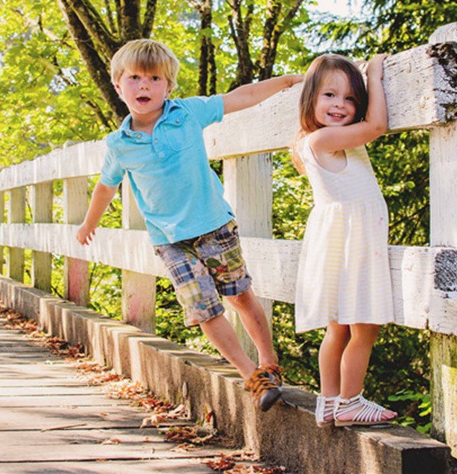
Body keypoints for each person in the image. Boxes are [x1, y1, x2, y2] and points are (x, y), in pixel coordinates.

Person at [76, 39, 302, 411]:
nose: (144, 85)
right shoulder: (119, 143)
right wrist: (88, 223)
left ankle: (269, 363)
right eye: (134, 78)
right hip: (170, 240)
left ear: (168, 86)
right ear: (118, 85)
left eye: (154, 78)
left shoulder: (188, 113)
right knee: (204, 310)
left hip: (214, 225)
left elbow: (240, 97)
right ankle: (252, 376)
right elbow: (106, 185)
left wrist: (288, 80)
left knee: (240, 295)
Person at [291, 53, 397, 427]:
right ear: (311, 99)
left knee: (338, 326)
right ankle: (351, 401)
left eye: (351, 98)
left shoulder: (312, 140)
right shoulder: (324, 139)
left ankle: (329, 402)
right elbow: (378, 125)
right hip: (353, 243)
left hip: (341, 240)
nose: (340, 105)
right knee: (365, 326)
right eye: (330, 96)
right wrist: (374, 74)